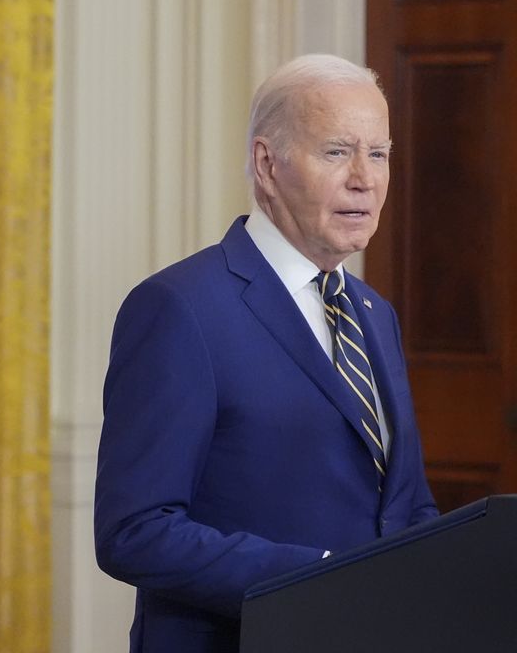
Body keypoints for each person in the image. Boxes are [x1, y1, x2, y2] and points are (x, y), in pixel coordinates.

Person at [93, 53, 439, 653]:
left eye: (378, 153)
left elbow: (405, 508)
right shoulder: (180, 308)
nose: (365, 178)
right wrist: (321, 579)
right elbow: (134, 530)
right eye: (337, 152)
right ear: (266, 163)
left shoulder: (374, 314)